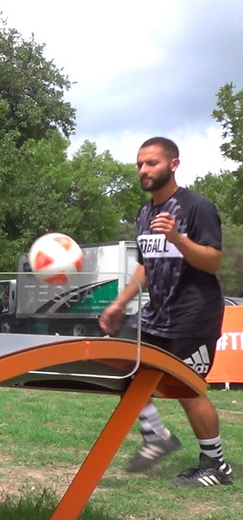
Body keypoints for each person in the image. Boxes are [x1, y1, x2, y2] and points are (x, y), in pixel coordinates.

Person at [98, 136, 232, 486]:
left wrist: (179, 239)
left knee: (188, 389)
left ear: (173, 164)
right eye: (140, 164)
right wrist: (120, 302)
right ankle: (156, 435)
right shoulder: (145, 213)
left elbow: (213, 261)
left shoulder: (195, 207)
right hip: (155, 314)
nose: (144, 170)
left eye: (152, 163)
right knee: (117, 362)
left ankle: (216, 465)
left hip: (194, 316)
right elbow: (145, 265)